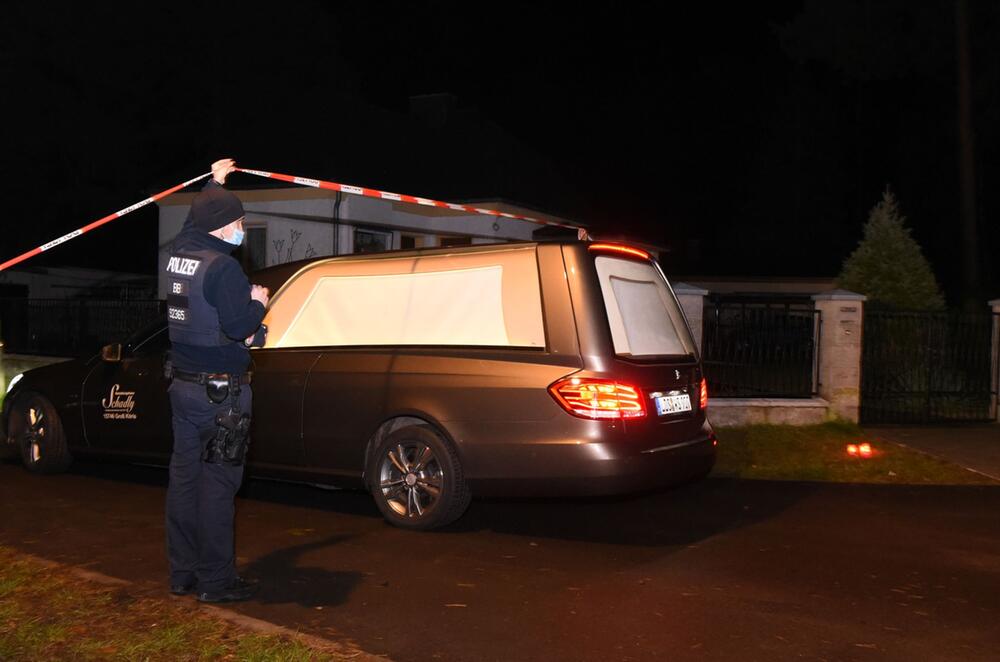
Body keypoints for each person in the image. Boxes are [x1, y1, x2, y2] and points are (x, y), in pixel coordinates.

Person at [164, 158, 269, 603]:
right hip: (221, 395)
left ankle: (183, 573)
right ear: (224, 227)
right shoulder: (224, 270)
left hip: (182, 390)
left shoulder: (176, 254)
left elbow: (196, 218)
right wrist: (259, 304)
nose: (243, 229)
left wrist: (214, 182)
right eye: (241, 222)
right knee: (219, 487)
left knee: (184, 481)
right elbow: (237, 325)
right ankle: (217, 581)